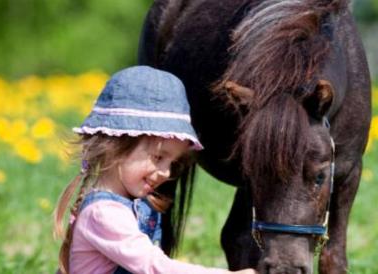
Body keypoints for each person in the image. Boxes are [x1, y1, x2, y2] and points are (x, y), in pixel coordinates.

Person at [53, 66, 255, 274]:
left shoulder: (135, 206)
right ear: (115, 146)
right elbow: (154, 267)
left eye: (171, 163)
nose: (166, 173)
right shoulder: (102, 214)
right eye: (158, 157)